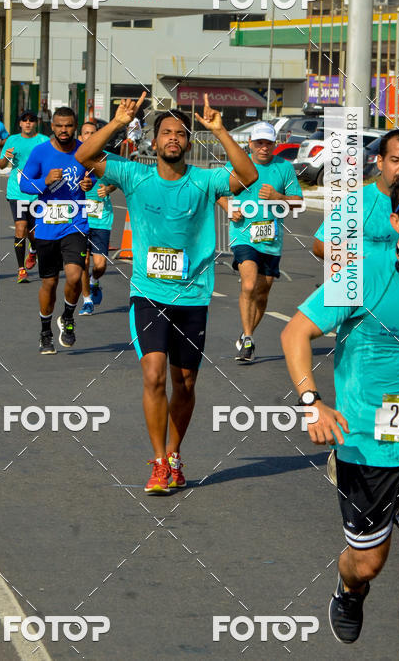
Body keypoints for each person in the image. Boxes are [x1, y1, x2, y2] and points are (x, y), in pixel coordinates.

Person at [281, 169, 399, 657]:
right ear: (396, 219)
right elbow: (295, 333)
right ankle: (349, 588)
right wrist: (312, 402)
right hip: (363, 444)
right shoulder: (361, 274)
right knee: (368, 562)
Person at [76, 94, 258, 494]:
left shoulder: (205, 180)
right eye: (166, 133)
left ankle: (175, 454)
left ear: (188, 143)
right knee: (154, 375)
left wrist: (220, 130)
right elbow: (85, 156)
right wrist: (117, 122)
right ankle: (159, 462)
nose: (173, 138)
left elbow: (247, 175)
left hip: (193, 297)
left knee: (185, 383)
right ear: (154, 142)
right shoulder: (132, 174)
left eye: (180, 133)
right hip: (149, 294)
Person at [218, 121, 303, 361]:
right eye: (259, 143)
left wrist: (278, 196)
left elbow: (298, 203)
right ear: (250, 143)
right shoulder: (237, 164)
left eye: (268, 143)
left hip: (271, 239)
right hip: (243, 235)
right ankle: (248, 339)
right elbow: (218, 191)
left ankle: (248, 334)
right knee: (248, 285)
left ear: (274, 144)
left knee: (262, 293)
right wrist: (229, 208)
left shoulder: (283, 168)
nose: (264, 148)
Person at [20, 107, 94, 354]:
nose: (64, 130)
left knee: (74, 275)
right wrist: (44, 181)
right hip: (47, 227)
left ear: (75, 126)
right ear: (52, 126)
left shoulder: (83, 151)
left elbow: (94, 174)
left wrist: (89, 182)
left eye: (69, 125)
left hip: (76, 224)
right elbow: (24, 184)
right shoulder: (41, 152)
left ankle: (68, 317)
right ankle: (45, 331)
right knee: (49, 284)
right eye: (59, 126)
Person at [313, 129, 399, 259]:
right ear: (380, 162)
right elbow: (321, 245)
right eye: (395, 160)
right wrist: (368, 267)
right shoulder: (358, 202)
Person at [0, 110, 48, 283]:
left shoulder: (44, 141)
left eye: (31, 120)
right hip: (17, 192)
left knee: (33, 232)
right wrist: (6, 157)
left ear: (36, 123)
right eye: (24, 120)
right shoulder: (12, 140)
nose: (28, 123)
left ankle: (33, 250)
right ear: (20, 123)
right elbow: (1, 165)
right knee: (21, 227)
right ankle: (21, 269)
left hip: (37, 192)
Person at [77, 120, 116, 315]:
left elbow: (117, 180)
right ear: (80, 137)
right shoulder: (74, 159)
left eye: (94, 133)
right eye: (86, 133)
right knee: (83, 262)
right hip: (79, 219)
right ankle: (87, 300)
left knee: (100, 265)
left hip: (101, 218)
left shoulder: (107, 159)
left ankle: (94, 281)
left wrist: (108, 189)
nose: (90, 136)